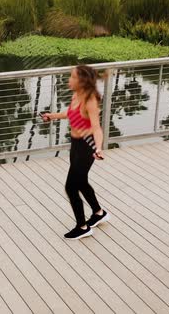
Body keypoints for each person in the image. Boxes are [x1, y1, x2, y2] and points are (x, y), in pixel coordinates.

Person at [42, 65, 109, 239]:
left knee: (71, 187)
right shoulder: (76, 95)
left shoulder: (90, 100)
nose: (68, 80)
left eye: (72, 77)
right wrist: (52, 116)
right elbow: (70, 114)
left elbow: (97, 128)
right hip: (76, 144)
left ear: (82, 81)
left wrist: (99, 148)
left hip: (87, 147)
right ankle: (99, 212)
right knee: (81, 182)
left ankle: (83, 226)